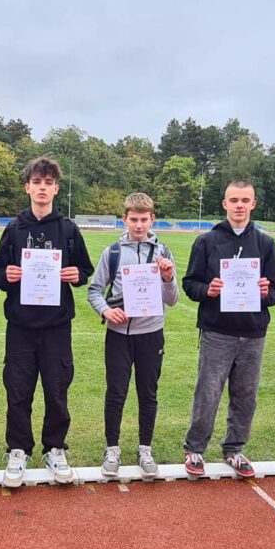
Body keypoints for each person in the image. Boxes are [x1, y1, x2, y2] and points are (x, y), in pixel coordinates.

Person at [0, 156, 93, 487]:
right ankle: (18, 449)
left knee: (56, 390)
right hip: (21, 326)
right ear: (27, 187)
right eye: (36, 182)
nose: (42, 188)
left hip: (56, 326)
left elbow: (85, 270)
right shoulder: (13, 229)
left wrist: (76, 274)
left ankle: (55, 447)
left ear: (56, 188)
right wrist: (6, 275)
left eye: (48, 183)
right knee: (18, 391)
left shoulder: (68, 229)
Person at [181, 180, 275, 478]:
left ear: (254, 204)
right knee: (208, 392)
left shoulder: (265, 243)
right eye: (234, 200)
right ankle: (195, 449)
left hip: (253, 332)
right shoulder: (207, 241)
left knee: (246, 394)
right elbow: (190, 284)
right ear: (224, 204)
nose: (239, 205)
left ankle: (234, 449)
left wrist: (267, 292)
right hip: (217, 330)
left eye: (245, 200)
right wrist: (208, 290)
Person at [87, 193, 178, 478]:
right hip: (118, 334)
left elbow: (173, 300)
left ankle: (145, 448)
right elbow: (94, 290)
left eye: (144, 219)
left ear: (152, 219)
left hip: (151, 333)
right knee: (116, 392)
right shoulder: (112, 253)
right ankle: (112, 448)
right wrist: (105, 312)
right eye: (133, 219)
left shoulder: (163, 252)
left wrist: (168, 277)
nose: (138, 225)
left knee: (148, 394)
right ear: (124, 219)